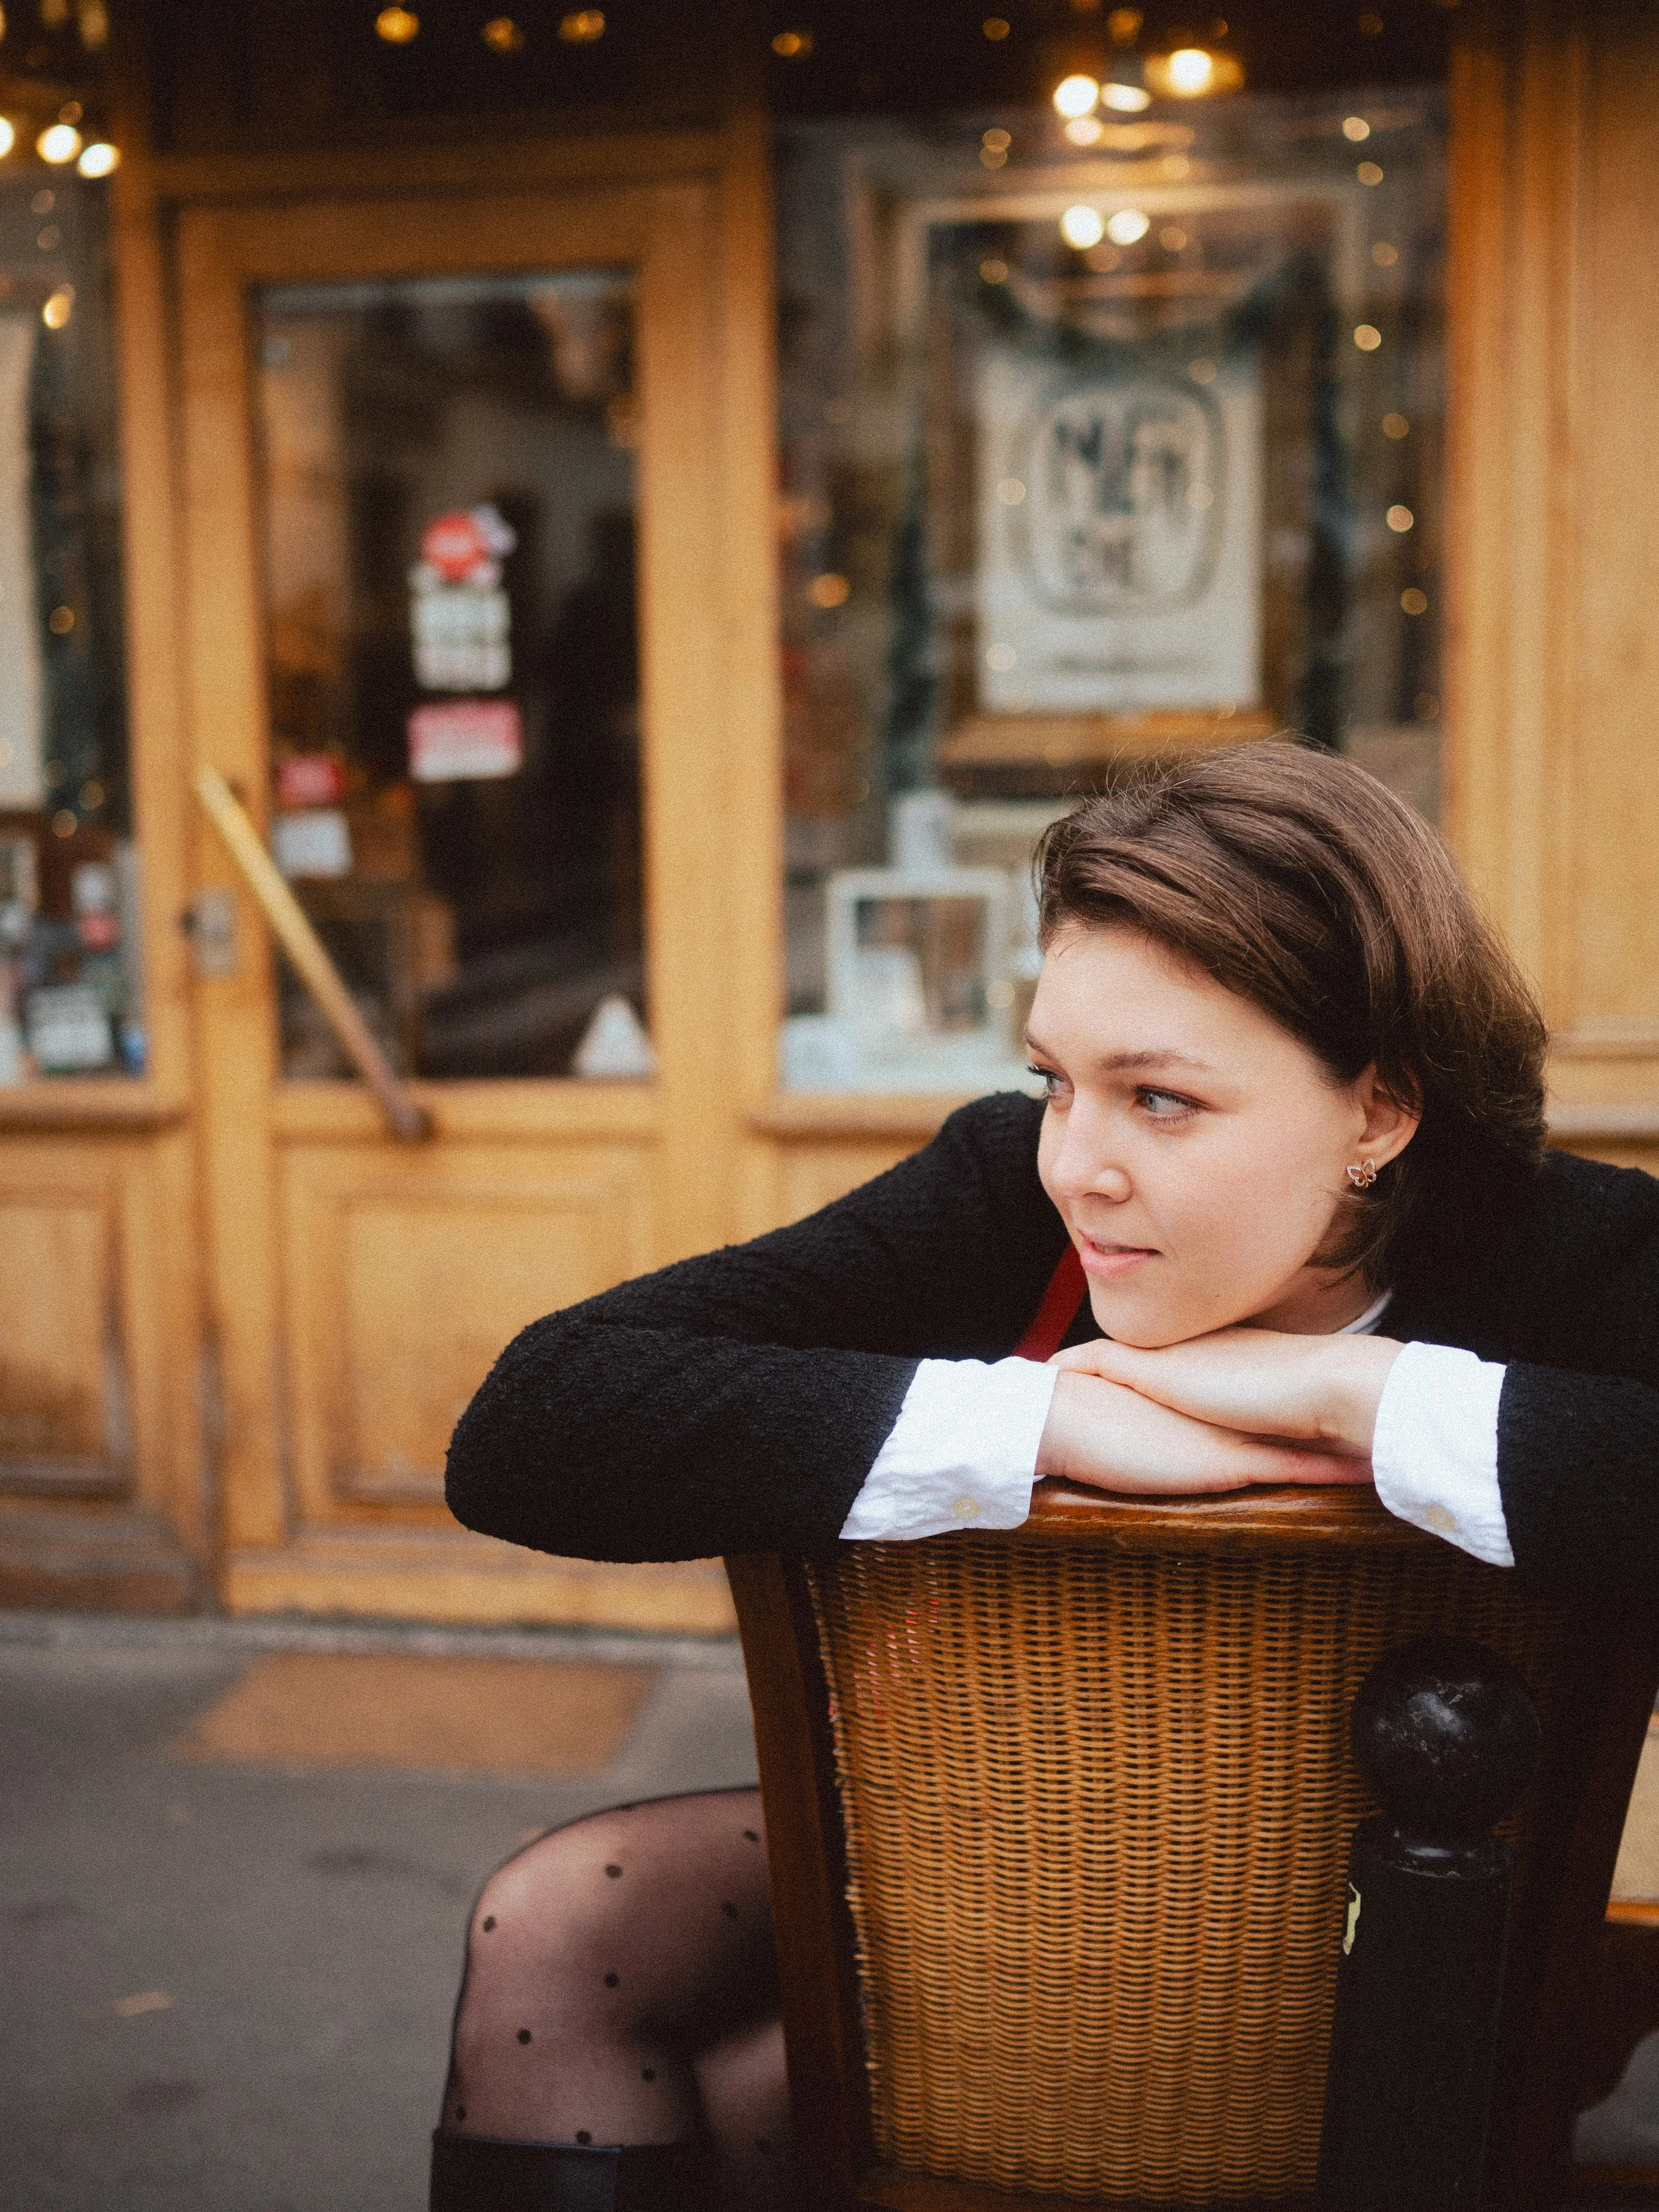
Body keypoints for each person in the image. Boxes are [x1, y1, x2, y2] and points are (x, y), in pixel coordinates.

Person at [427, 742, 1659, 2212]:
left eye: (1160, 1100)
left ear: (1378, 1114)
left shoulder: (1559, 1251)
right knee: (562, 1922)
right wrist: (1036, 1424)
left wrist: (1355, 1391)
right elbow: (531, 1423)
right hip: (1000, 1863)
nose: (1076, 1161)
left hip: (1395, 1946)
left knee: (766, 2083)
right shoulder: (1002, 1197)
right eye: (1051, 1078)